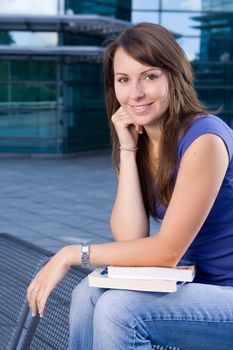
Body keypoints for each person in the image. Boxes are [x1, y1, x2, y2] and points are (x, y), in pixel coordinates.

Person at [27, 23, 233, 350]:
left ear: (174, 77)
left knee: (120, 309)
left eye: (149, 76)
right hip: (190, 284)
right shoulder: (145, 143)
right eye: (124, 80)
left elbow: (166, 252)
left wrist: (72, 253)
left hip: (226, 296)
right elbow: (132, 238)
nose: (135, 93)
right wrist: (127, 147)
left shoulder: (204, 138)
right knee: (87, 295)